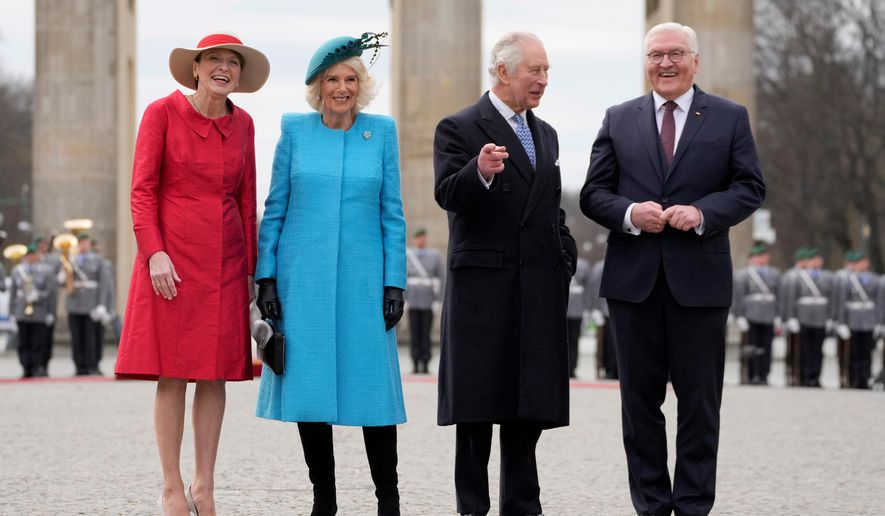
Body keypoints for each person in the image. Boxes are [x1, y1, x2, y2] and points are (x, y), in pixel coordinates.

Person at [579, 22, 765, 516]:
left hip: (699, 284)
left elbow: (750, 187)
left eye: (676, 54)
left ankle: (693, 506)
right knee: (639, 409)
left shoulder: (729, 117)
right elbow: (594, 193)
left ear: (695, 60)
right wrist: (629, 214)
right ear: (645, 61)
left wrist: (703, 213)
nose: (665, 63)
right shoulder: (618, 118)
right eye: (656, 54)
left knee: (700, 407)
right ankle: (652, 506)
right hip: (632, 284)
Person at [114, 32, 268, 516]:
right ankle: (171, 486)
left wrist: (251, 271)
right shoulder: (161, 114)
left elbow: (247, 199)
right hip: (172, 261)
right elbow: (142, 191)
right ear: (196, 69)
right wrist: (153, 253)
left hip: (225, 259)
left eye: (232, 63)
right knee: (174, 373)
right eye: (214, 61)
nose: (224, 68)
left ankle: (205, 485)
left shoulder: (244, 124)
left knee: (216, 374)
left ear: (239, 76)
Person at [253, 32, 405, 516]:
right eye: (332, 80)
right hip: (305, 283)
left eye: (350, 79)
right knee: (311, 390)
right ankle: (325, 500)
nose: (342, 88)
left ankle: (389, 500)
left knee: (373, 393)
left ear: (362, 85)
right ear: (317, 88)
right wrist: (267, 279)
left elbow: (392, 213)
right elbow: (274, 209)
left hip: (365, 282)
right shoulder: (295, 131)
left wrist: (395, 281)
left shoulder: (380, 132)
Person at [433, 31, 577, 516]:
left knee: (527, 409)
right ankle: (472, 508)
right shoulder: (458, 126)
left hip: (536, 287)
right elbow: (448, 195)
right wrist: (481, 171)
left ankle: (523, 507)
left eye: (546, 70)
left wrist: (565, 257)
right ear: (503, 72)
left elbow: (549, 210)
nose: (543, 79)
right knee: (476, 415)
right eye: (534, 70)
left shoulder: (548, 134)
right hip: (482, 291)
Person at [781, 247, 834, 387]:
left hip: (820, 318)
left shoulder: (827, 276)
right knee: (804, 349)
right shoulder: (798, 277)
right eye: (813, 260)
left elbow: (832, 298)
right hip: (803, 317)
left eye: (818, 259)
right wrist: (791, 317)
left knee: (818, 349)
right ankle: (804, 376)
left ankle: (815, 376)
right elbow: (792, 298)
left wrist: (830, 317)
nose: (816, 262)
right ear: (808, 262)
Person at [731, 243, 781, 385]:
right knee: (751, 346)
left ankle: (764, 374)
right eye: (759, 256)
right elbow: (738, 296)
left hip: (769, 314)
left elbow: (778, 295)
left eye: (764, 256)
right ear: (752, 258)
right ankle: (752, 374)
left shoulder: (774, 274)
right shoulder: (743, 275)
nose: (762, 259)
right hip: (751, 314)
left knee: (767, 345)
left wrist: (778, 315)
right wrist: (738, 315)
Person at [65, 234, 112, 376]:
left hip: (92, 304)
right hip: (74, 302)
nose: (83, 245)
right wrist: (63, 275)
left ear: (89, 244)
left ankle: (93, 365)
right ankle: (79, 366)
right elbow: (66, 282)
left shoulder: (98, 260)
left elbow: (104, 283)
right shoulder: (71, 260)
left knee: (91, 336)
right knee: (76, 336)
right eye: (80, 243)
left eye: (85, 242)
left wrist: (102, 304)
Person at [832, 250, 879, 389]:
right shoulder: (847, 280)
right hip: (853, 319)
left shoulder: (874, 279)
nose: (863, 265)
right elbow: (842, 302)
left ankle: (866, 379)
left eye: (865, 262)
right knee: (854, 352)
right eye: (860, 263)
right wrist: (841, 322)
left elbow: (879, 302)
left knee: (867, 352)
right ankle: (854, 379)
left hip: (869, 320)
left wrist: (879, 322)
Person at [9, 244, 56, 378]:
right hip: (21, 311)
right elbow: (13, 293)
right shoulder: (17, 270)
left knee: (38, 342)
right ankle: (25, 367)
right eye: (28, 255)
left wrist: (40, 298)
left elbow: (50, 292)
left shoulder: (46, 271)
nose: (31, 257)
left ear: (37, 255)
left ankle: (36, 367)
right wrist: (12, 313)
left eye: (33, 254)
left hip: (39, 312)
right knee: (23, 342)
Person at [405, 227, 444, 374]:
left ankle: (426, 362)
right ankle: (415, 362)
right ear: (415, 239)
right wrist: (405, 299)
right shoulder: (409, 256)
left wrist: (438, 300)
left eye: (423, 238)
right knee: (414, 333)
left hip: (428, 300)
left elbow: (442, 277)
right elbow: (404, 278)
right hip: (413, 300)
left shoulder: (434, 256)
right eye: (418, 238)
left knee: (426, 333)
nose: (421, 240)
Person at [588, 256, 618, 379]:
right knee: (609, 344)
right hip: (606, 309)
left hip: (614, 308)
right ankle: (611, 369)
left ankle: (614, 370)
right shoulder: (601, 266)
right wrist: (595, 308)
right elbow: (595, 289)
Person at [566, 256, 592, 378]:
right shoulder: (585, 266)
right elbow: (589, 289)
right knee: (573, 341)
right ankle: (572, 367)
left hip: (569, 308)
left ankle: (569, 367)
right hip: (577, 309)